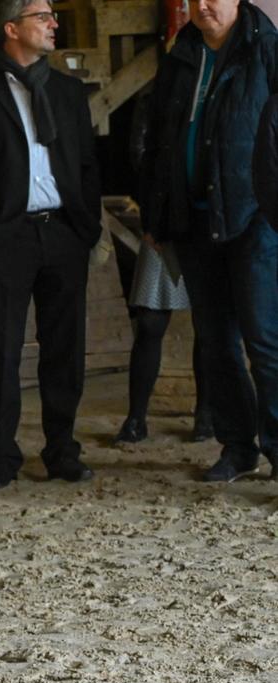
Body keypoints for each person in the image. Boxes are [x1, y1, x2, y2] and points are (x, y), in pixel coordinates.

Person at [0, 0, 102, 489]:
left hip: (63, 234)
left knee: (64, 348)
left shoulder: (69, 91)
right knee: (2, 350)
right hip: (4, 238)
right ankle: (2, 458)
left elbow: (87, 164)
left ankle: (62, 452)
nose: (54, 23)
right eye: (42, 16)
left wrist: (86, 227)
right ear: (11, 29)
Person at [143, 0, 278, 482]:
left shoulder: (265, 49)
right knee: (216, 343)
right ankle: (238, 447)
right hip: (195, 221)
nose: (202, 5)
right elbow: (159, 133)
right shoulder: (183, 54)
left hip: (255, 220)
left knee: (265, 342)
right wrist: (156, 213)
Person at [116, 83, 212, 445]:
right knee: (151, 322)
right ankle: (136, 417)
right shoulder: (158, 94)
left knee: (207, 325)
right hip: (164, 219)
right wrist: (153, 215)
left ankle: (205, 414)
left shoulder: (222, 92)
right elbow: (139, 156)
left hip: (205, 222)